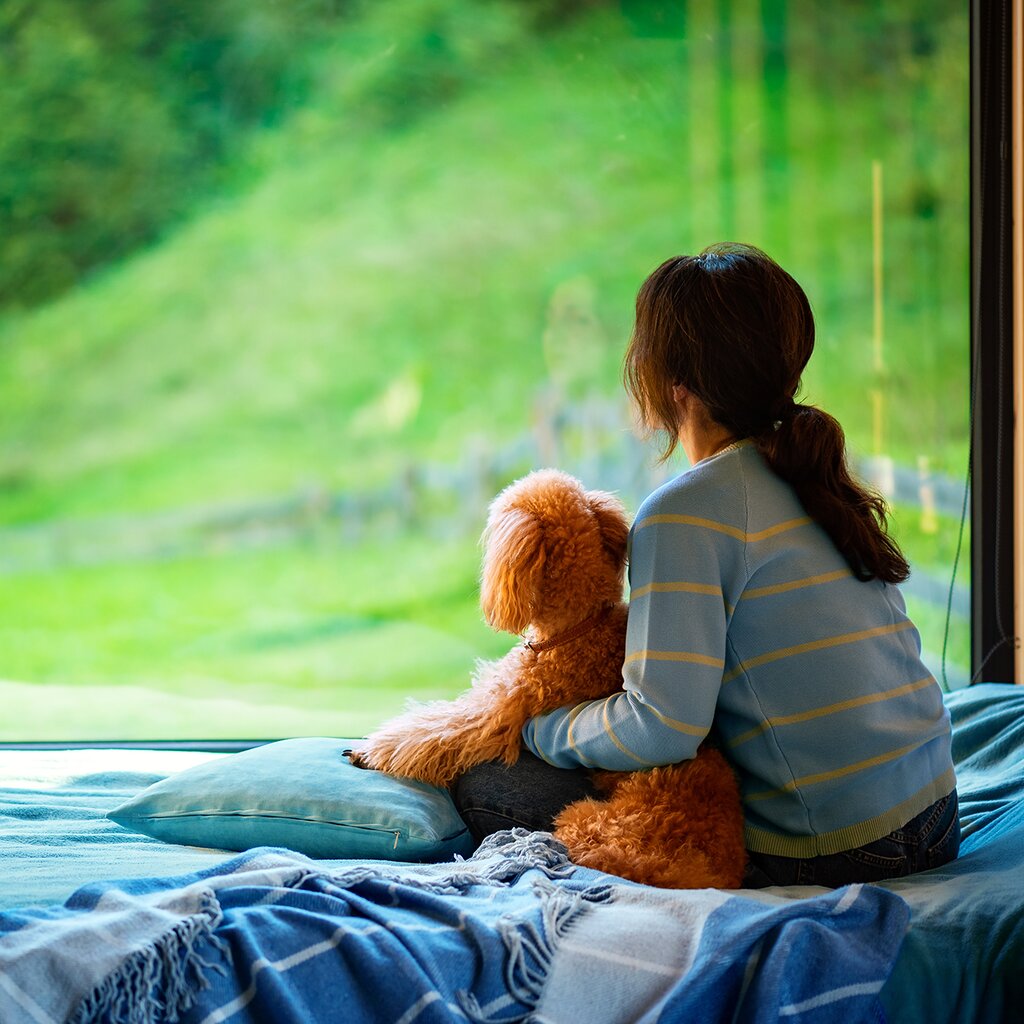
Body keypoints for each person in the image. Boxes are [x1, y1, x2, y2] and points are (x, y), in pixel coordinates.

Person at [452, 242, 960, 888]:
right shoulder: (812, 470)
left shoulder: (682, 516)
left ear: (675, 386)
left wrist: (538, 727)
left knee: (488, 783)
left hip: (847, 846)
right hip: (939, 813)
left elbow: (662, 729)